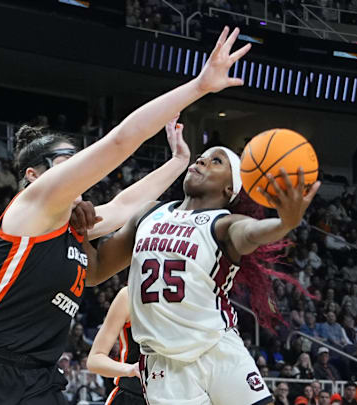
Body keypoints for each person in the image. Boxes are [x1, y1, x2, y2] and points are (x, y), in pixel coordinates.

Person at [0, 26, 250, 405]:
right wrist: (199, 86)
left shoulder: (72, 226)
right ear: (34, 175)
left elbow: (127, 207)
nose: (77, 166)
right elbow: (120, 141)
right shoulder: (36, 205)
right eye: (66, 161)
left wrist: (179, 162)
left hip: (37, 376)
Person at [87, 100, 320, 405]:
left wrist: (284, 223)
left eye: (216, 161)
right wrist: (77, 225)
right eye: (201, 157)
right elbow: (94, 271)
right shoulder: (149, 214)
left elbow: (251, 233)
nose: (201, 161)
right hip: (163, 364)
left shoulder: (224, 224)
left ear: (230, 189)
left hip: (217, 349)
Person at [86, 287, 144, 405]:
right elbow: (94, 359)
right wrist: (130, 369)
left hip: (181, 394)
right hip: (133, 394)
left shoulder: (190, 294)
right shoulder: (130, 295)